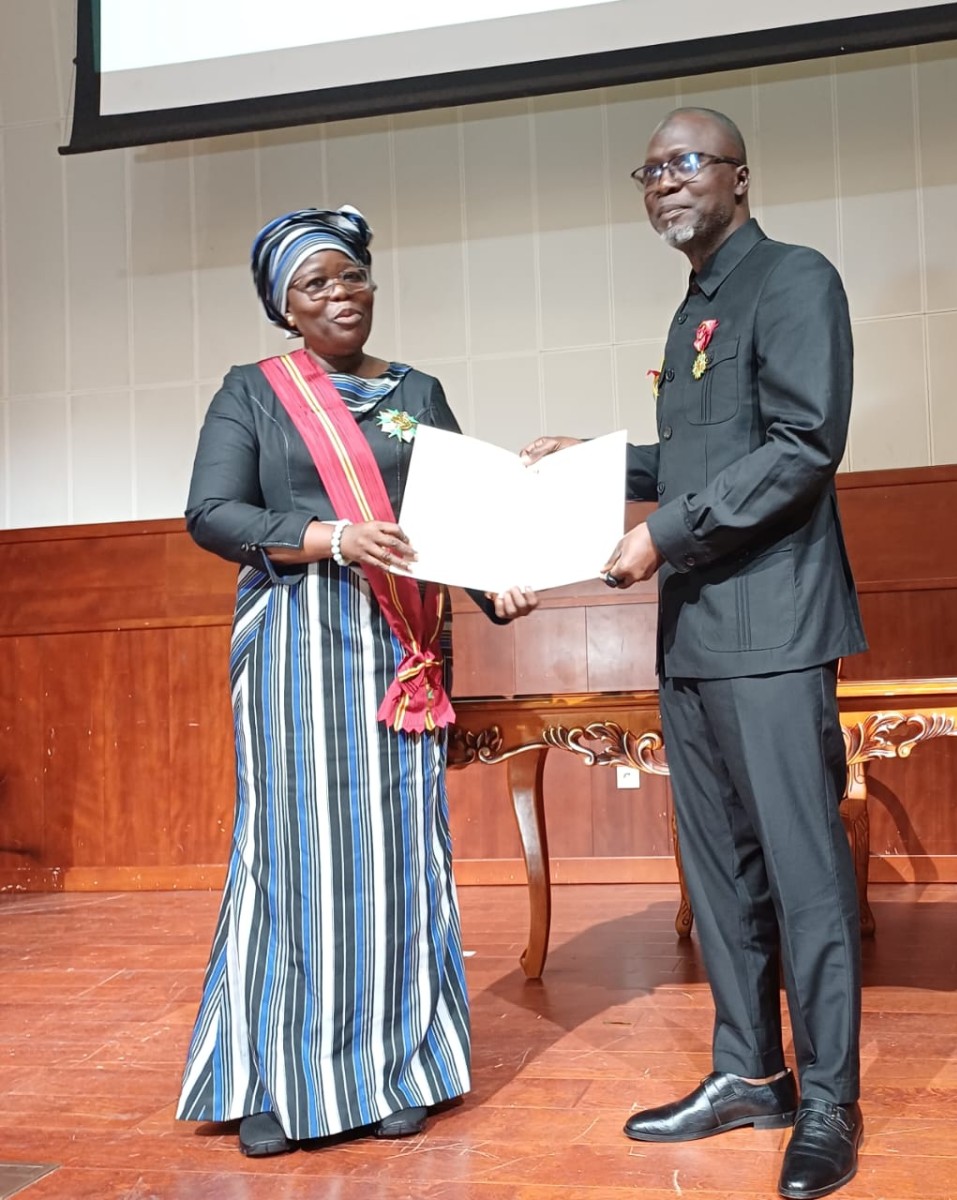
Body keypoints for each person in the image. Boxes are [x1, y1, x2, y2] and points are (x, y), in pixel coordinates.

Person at [522, 109, 868, 1199]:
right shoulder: (691, 318)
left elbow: (805, 445)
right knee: (720, 876)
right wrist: (605, 464)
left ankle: (828, 1102)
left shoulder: (796, 278)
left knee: (806, 876)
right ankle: (747, 1072)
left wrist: (661, 533)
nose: (664, 184)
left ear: (740, 177)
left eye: (685, 164)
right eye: (649, 171)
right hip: (697, 636)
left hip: (775, 628)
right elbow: (703, 456)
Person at [177, 205, 538, 1158]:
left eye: (351, 278)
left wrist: (498, 581)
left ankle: (392, 1068)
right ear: (284, 307)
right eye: (315, 285)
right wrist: (330, 537)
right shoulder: (254, 391)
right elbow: (213, 512)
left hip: (400, 646)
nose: (340, 296)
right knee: (296, 853)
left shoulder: (419, 390)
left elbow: (464, 518)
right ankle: (274, 1073)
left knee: (391, 855)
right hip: (298, 639)